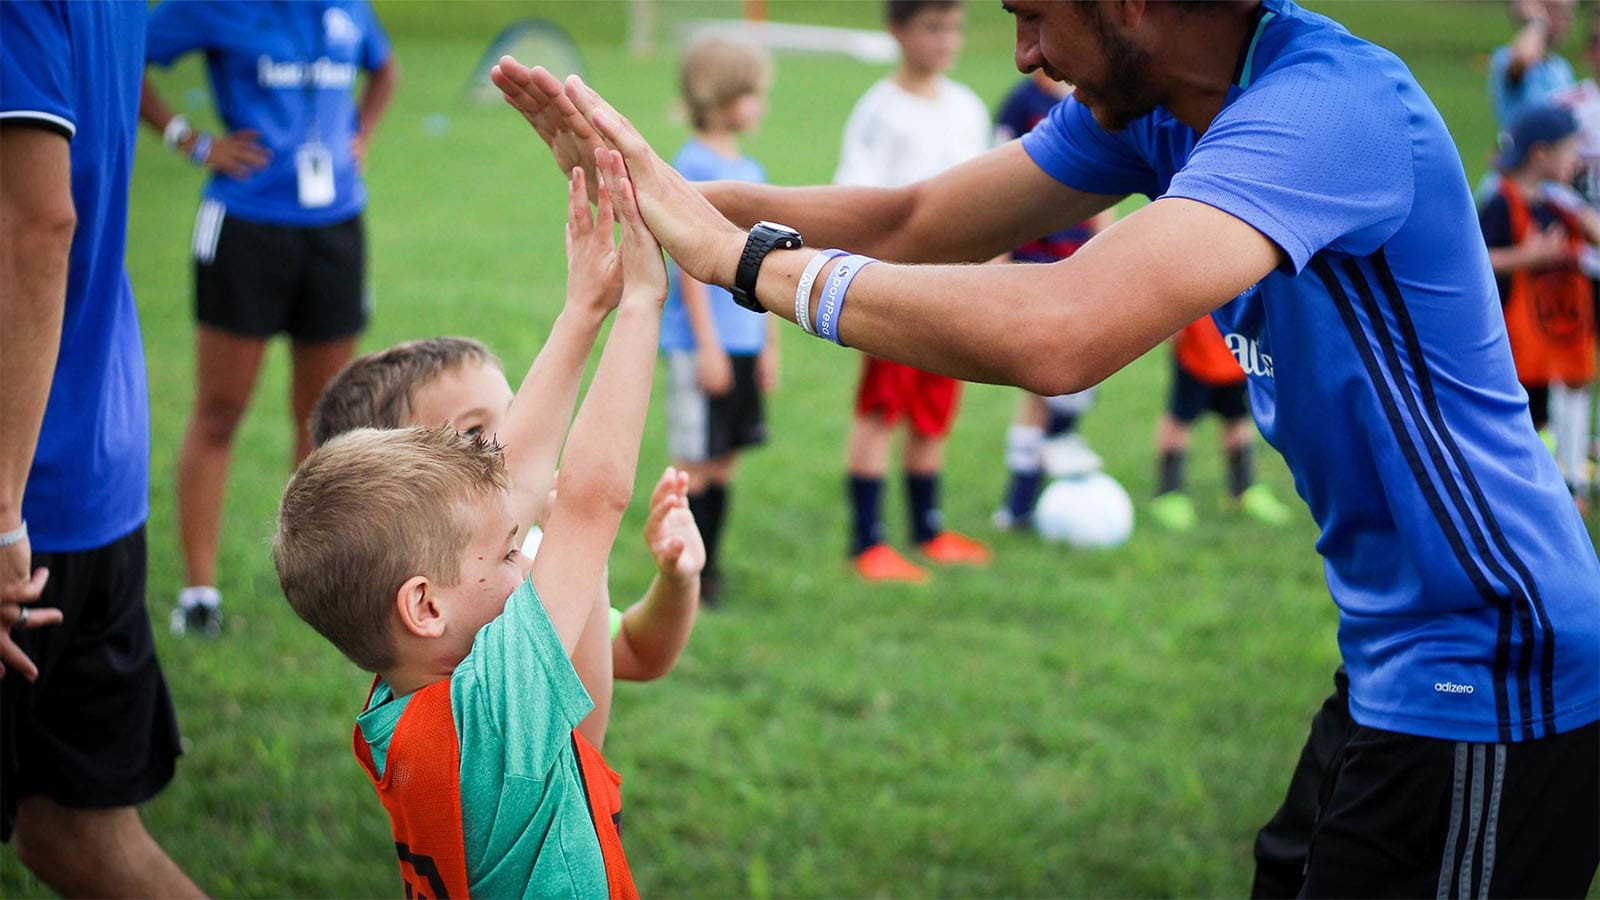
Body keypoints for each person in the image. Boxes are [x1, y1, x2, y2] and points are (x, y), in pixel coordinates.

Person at [492, 0, 1600, 892]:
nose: (1022, 52)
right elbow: (916, 219)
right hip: (1395, 649)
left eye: (1032, 15)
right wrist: (666, 199)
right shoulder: (1158, 104)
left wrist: (748, 265)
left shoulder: (1326, 107)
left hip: (1493, 656)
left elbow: (1062, 331)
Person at [273, 150, 659, 898]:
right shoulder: (490, 720)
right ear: (424, 605)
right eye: (512, 552)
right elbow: (590, 499)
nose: (527, 561)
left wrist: (583, 311)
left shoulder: (402, 705)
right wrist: (641, 302)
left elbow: (509, 487)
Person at [0, 2, 204, 895]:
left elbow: (36, 220)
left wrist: (0, 509)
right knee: (80, 834)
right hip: (94, 471)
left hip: (20, 501)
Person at [140, 0, 399, 637]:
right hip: (246, 229)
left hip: (335, 229)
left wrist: (360, 133)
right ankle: (199, 594)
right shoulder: (214, 7)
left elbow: (385, 69)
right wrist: (190, 139)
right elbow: (127, 60)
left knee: (322, 421)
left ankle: (312, 584)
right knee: (221, 409)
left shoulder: (348, 11)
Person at [308, 335, 703, 684]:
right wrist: (578, 549)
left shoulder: (518, 553)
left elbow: (635, 653)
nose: (516, 442)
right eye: (473, 433)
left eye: (518, 413)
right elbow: (583, 736)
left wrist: (677, 582)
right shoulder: (470, 590)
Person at [834, 0, 994, 583]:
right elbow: (856, 199)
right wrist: (874, 280)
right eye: (931, 27)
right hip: (896, 289)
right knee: (882, 410)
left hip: (955, 288)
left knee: (933, 411)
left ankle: (928, 529)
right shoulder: (880, 110)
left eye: (953, 27)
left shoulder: (967, 108)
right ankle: (867, 540)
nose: (945, 39)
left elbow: (986, 198)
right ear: (898, 31)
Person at [660, 35, 778, 607]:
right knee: (695, 459)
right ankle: (685, 572)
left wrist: (769, 342)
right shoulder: (694, 166)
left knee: (726, 455)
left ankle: (713, 568)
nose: (760, 104)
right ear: (721, 95)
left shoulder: (749, 168)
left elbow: (771, 262)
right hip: (701, 343)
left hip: (745, 336)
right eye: (752, 93)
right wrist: (706, 345)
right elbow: (690, 266)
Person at [991, 70, 1110, 532]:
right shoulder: (1018, 103)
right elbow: (997, 181)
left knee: (1073, 388)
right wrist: (999, 257)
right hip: (1035, 266)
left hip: (1078, 265)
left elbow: (1101, 182)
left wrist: (1106, 245)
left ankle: (1037, 488)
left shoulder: (1089, 101)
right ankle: (1019, 503)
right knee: (1045, 389)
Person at [1480, 103, 1599, 515]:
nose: (1576, 161)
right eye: (1570, 151)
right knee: (1518, 426)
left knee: (1551, 416)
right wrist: (1525, 257)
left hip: (1554, 344)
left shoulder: (1561, 205)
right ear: (1542, 155)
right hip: (1513, 348)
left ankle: (1562, 485)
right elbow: (1479, 260)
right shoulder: (1500, 203)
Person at [1148, 314, 1292, 532]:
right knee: (1180, 420)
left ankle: (1243, 491)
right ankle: (1169, 494)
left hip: (1236, 349)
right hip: (1195, 350)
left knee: (1237, 419)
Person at [1490, 0, 1578, 132]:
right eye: (1558, 11)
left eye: (1569, 12)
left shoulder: (1561, 66)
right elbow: (1522, 59)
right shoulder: (1507, 58)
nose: (1567, 19)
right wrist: (1537, 22)